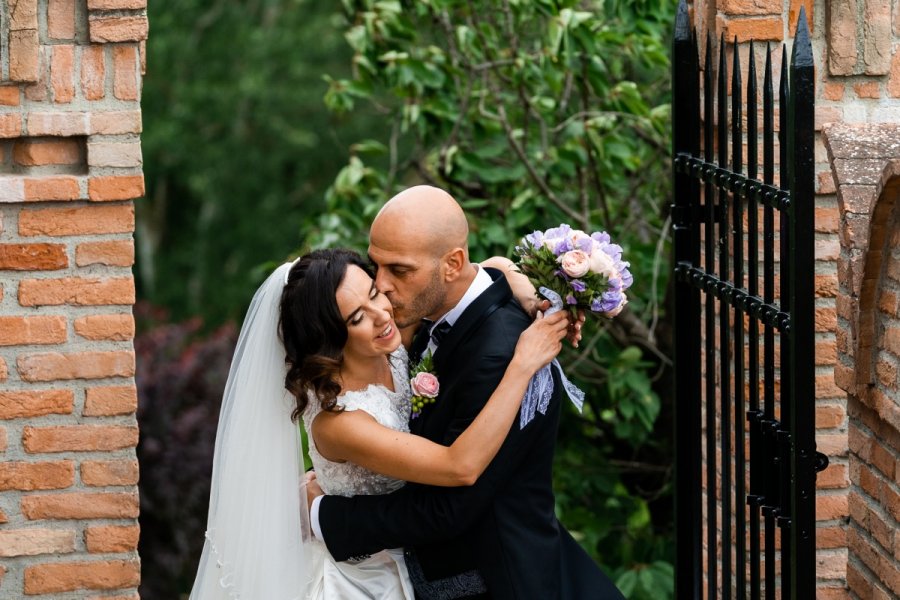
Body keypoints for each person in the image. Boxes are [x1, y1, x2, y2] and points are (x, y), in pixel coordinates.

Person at [189, 247, 569, 600]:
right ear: (330, 340)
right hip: (367, 577)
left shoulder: (389, 339)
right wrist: (522, 366)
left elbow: (487, 267)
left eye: (373, 292)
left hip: (416, 553)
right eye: (356, 318)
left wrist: (528, 294)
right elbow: (460, 466)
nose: (381, 314)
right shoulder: (341, 421)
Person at [310, 185, 625, 599]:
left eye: (399, 270)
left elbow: (451, 504)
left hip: (497, 581)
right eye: (376, 267)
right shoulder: (435, 311)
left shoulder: (502, 355)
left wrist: (324, 514)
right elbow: (491, 266)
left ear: (452, 263)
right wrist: (515, 279)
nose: (382, 287)